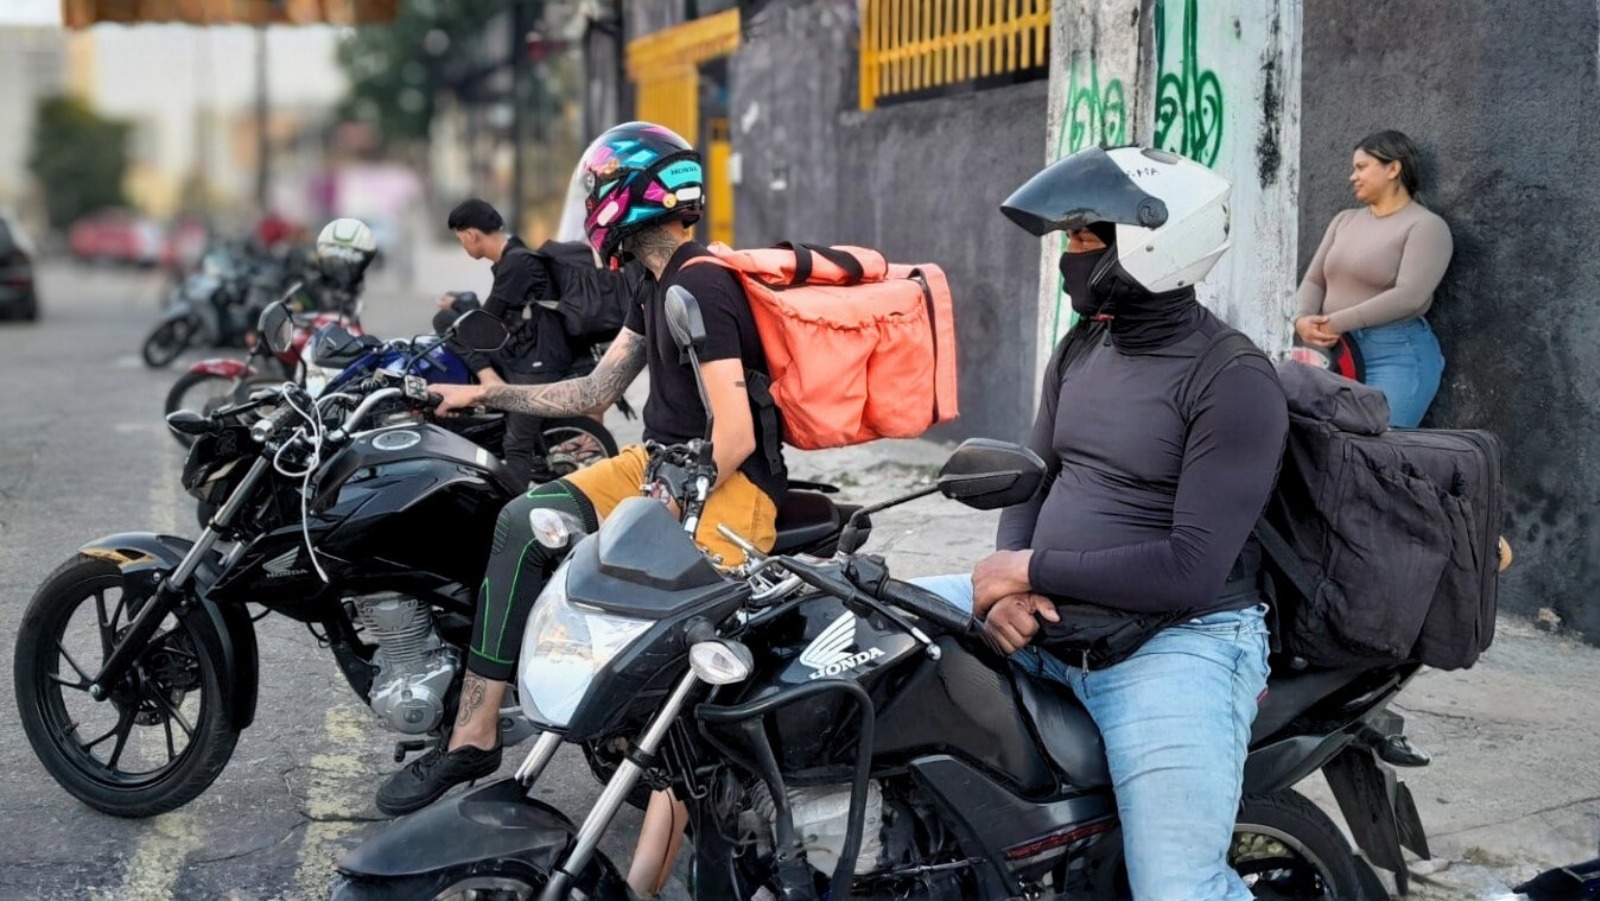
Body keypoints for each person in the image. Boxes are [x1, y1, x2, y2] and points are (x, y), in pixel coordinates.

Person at [376, 123, 785, 897]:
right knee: (523, 519)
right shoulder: (650, 280)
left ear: (630, 198)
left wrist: (666, 503)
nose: (590, 205)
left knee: (679, 691)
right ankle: (476, 728)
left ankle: (640, 882)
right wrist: (484, 392)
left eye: (597, 189)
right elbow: (595, 392)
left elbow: (731, 432)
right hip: (660, 462)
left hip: (728, 489)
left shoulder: (701, 286)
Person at [916, 145, 1289, 901]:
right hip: (1049, 616)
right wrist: (1005, 586)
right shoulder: (1085, 346)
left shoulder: (1233, 378)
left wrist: (1028, 572)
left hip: (1179, 645)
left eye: (1085, 237)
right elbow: (1030, 474)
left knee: (1177, 888)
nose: (1067, 254)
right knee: (861, 637)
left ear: (1153, 242)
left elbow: (1190, 567)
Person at [1293, 130, 1454, 427]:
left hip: (1395, 356)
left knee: (1378, 453)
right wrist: (1302, 318)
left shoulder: (1426, 227)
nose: (1352, 177)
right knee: (1328, 451)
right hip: (1334, 352)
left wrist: (1334, 322)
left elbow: (1410, 296)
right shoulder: (1344, 221)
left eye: (1361, 167)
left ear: (1393, 168)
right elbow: (1314, 280)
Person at [436, 198, 575, 486]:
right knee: (449, 320)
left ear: (472, 235)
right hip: (525, 352)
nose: (463, 245)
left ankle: (514, 514)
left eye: (461, 239)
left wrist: (461, 307)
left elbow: (487, 320)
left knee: (516, 444)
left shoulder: (516, 263)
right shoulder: (512, 257)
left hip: (538, 363)